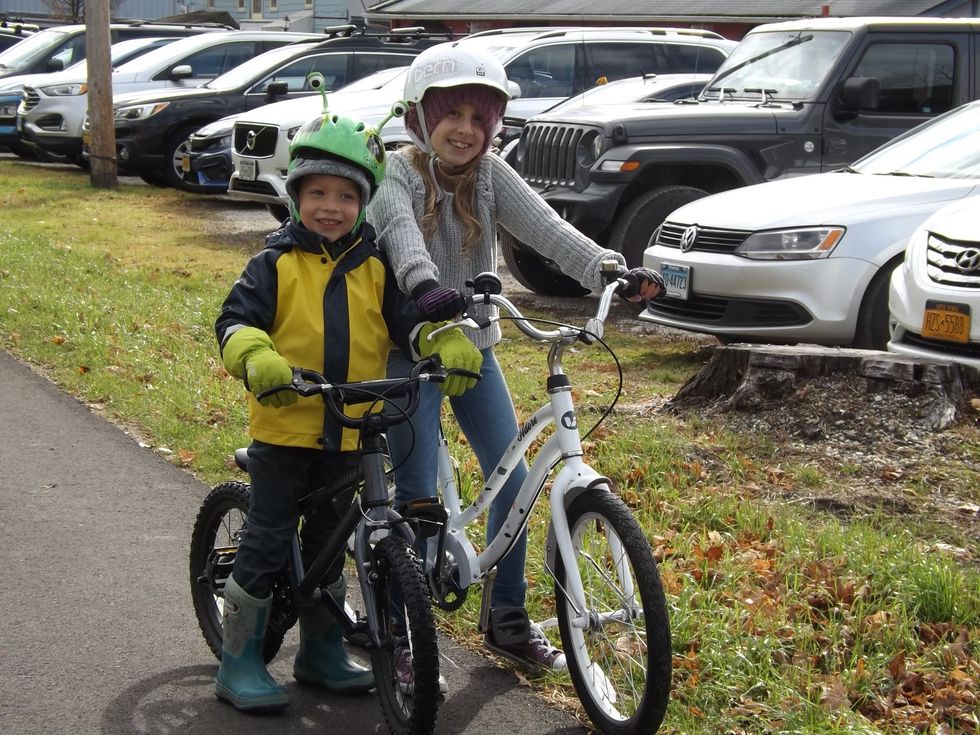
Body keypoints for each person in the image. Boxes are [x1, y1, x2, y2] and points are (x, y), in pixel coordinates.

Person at [366, 42, 664, 681]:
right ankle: (400, 633)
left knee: (516, 484)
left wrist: (611, 269)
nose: (466, 131)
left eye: (480, 119)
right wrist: (424, 288)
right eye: (451, 115)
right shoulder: (399, 173)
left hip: (476, 353)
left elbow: (550, 231)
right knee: (417, 497)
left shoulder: (492, 175)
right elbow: (401, 238)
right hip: (409, 352)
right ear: (421, 118)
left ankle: (506, 619)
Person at [213, 105, 482, 712]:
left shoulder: (375, 264)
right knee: (267, 538)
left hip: (354, 428)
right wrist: (257, 356)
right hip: (287, 426)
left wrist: (443, 337)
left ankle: (321, 652)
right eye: (317, 193)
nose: (330, 207)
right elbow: (234, 322)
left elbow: (407, 321)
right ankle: (239, 661)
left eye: (344, 195)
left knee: (332, 543)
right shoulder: (273, 263)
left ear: (362, 203)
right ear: (296, 196)